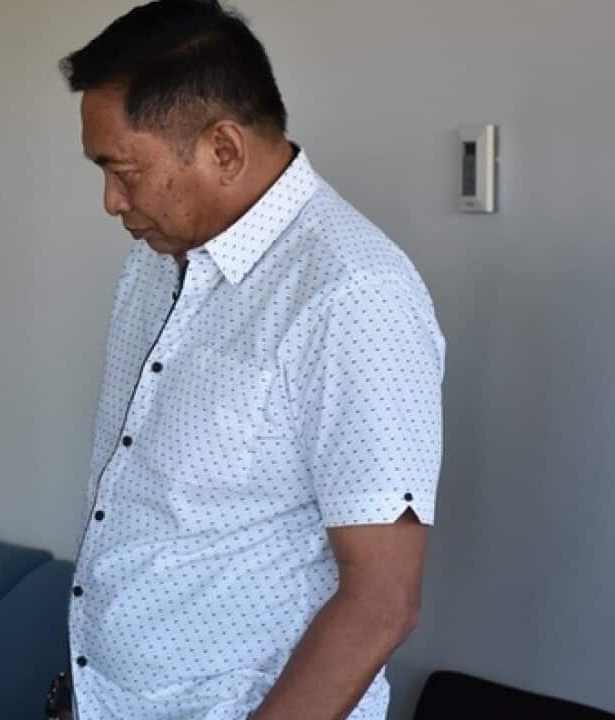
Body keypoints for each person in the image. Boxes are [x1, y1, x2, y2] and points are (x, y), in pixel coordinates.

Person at [57, 2, 446, 718]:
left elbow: (382, 600)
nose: (111, 200)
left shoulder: (352, 295)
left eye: (123, 170)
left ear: (224, 150)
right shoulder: (155, 263)